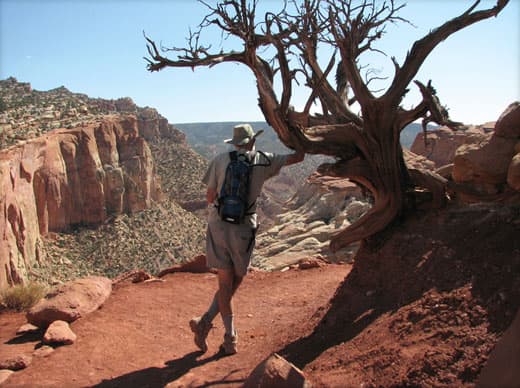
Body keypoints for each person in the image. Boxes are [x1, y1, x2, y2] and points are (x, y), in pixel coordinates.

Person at [190, 123, 305, 355]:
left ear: (234, 143)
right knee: (236, 280)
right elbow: (298, 158)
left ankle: (211, 327)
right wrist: (296, 132)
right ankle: (225, 335)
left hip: (219, 224)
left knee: (225, 283)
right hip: (244, 228)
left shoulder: (221, 159)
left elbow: (210, 196)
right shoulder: (264, 159)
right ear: (253, 141)